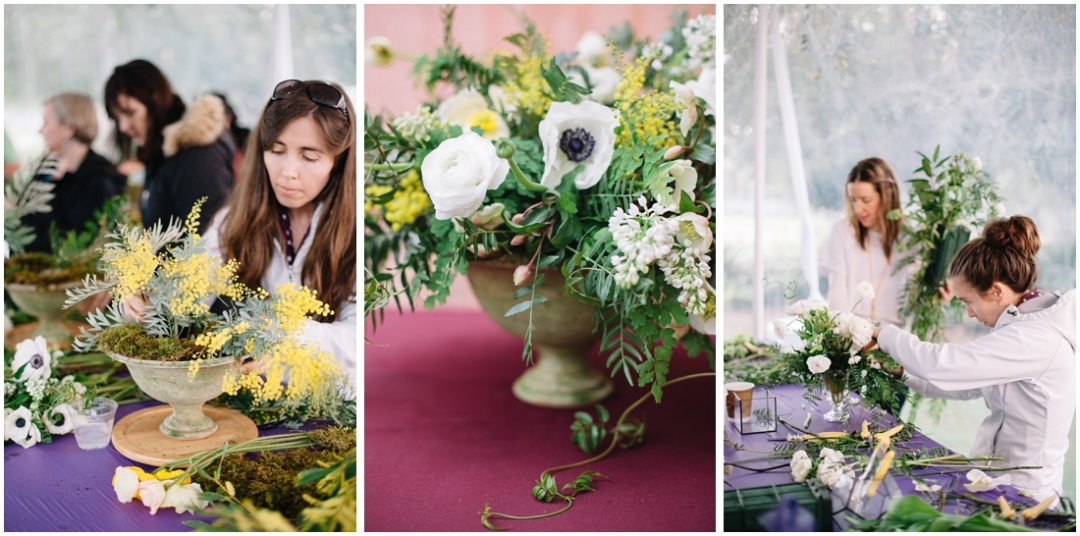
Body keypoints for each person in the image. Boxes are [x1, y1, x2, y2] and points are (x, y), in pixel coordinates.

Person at [872, 216, 1075, 506]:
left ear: (996, 291)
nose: (968, 313)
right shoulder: (1020, 328)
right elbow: (967, 384)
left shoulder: (1036, 340)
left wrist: (885, 334)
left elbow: (943, 364)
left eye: (968, 301)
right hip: (997, 483)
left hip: (1026, 498)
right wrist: (904, 372)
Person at [204, 79, 356, 380]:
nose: (288, 173)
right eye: (276, 151)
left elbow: (358, 340)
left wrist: (284, 334)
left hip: (336, 404)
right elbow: (189, 286)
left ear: (336, 162)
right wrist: (146, 294)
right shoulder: (232, 221)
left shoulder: (356, 232)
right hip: (258, 396)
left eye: (309, 156)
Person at [104, 59, 234, 233]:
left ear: (155, 99)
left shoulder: (195, 158)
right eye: (117, 118)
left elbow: (209, 243)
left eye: (130, 113)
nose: (124, 127)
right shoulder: (162, 154)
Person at [21, 92, 126, 254]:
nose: (40, 131)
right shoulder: (46, 173)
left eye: (46, 123)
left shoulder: (100, 182)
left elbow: (72, 247)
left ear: (68, 128)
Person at [821, 157, 910, 327]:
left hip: (897, 336)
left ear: (887, 196)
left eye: (865, 200)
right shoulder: (842, 231)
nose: (857, 209)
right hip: (851, 333)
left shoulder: (911, 237)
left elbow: (917, 302)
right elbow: (836, 298)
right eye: (853, 200)